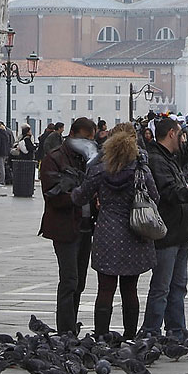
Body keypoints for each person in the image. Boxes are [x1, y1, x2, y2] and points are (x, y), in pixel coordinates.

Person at [72, 124, 159, 340]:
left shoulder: (99, 170)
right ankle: (130, 336)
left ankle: (102, 335)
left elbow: (79, 197)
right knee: (130, 289)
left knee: (105, 289)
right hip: (134, 232)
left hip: (107, 233)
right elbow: (155, 198)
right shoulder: (141, 171)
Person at [141, 116, 188, 337]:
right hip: (166, 232)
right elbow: (169, 192)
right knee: (162, 287)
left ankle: (175, 330)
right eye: (180, 134)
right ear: (172, 134)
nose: (183, 138)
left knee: (178, 286)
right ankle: (151, 332)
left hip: (180, 232)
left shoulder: (169, 157)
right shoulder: (156, 160)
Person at [39, 117, 98, 334]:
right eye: (85, 139)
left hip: (86, 225)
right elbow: (52, 195)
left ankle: (71, 325)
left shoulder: (88, 159)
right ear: (72, 135)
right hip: (64, 227)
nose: (88, 144)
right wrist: (78, 195)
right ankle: (65, 329)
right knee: (70, 279)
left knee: (80, 281)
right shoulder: (54, 159)